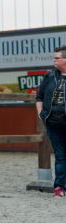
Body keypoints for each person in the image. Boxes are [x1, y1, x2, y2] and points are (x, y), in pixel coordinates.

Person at [36, 45, 66, 197]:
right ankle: (60, 188)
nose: (54, 60)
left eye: (57, 58)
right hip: (54, 123)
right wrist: (41, 113)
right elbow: (39, 96)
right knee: (60, 156)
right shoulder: (50, 75)